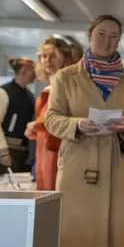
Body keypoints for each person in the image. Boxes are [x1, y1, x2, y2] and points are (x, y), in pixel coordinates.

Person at [45, 14, 124, 247]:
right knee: (78, 242)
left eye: (114, 35)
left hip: (122, 170)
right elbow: (52, 119)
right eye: (102, 34)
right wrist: (76, 124)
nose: (108, 40)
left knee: (121, 245)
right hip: (80, 167)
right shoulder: (65, 78)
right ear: (89, 35)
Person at [25, 36, 83, 190]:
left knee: (56, 189)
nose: (47, 61)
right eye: (44, 56)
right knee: (44, 187)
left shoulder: (70, 85)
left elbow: (64, 115)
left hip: (59, 146)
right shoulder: (48, 86)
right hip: (43, 146)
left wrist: (36, 124)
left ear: (63, 57)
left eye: (53, 56)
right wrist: (35, 129)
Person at [0, 58, 36, 173]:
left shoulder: (30, 96)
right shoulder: (2, 92)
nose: (35, 75)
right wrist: (2, 151)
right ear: (23, 71)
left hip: (24, 152)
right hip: (7, 150)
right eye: (32, 71)